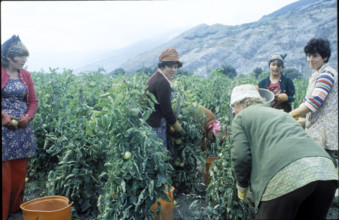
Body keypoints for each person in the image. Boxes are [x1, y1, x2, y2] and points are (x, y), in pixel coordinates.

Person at [230, 84, 338, 219]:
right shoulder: (282, 114)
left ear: (242, 102)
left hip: (288, 176)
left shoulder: (241, 117)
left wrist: (242, 189)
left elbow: (240, 157)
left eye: (234, 105)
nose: (233, 111)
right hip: (326, 171)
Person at [2, 35, 38, 220]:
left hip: (21, 130)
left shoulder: (26, 75)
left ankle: (14, 208)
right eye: (21, 56)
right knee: (4, 170)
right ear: (8, 57)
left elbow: (33, 101)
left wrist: (28, 117)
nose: (24, 60)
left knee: (19, 170)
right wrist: (4, 118)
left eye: (26, 56)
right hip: (3, 131)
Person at [289, 38, 338, 160]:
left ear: (325, 57)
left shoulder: (326, 75)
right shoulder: (318, 74)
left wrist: (289, 115)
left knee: (323, 163)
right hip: (318, 127)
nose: (310, 59)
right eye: (309, 56)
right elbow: (307, 100)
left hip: (324, 129)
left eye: (315, 56)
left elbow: (314, 102)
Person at [145, 48, 185, 149]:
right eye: (169, 66)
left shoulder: (156, 77)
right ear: (162, 66)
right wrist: (179, 129)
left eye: (175, 67)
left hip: (148, 124)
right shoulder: (162, 82)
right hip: (154, 127)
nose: (173, 70)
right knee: (158, 157)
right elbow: (166, 110)